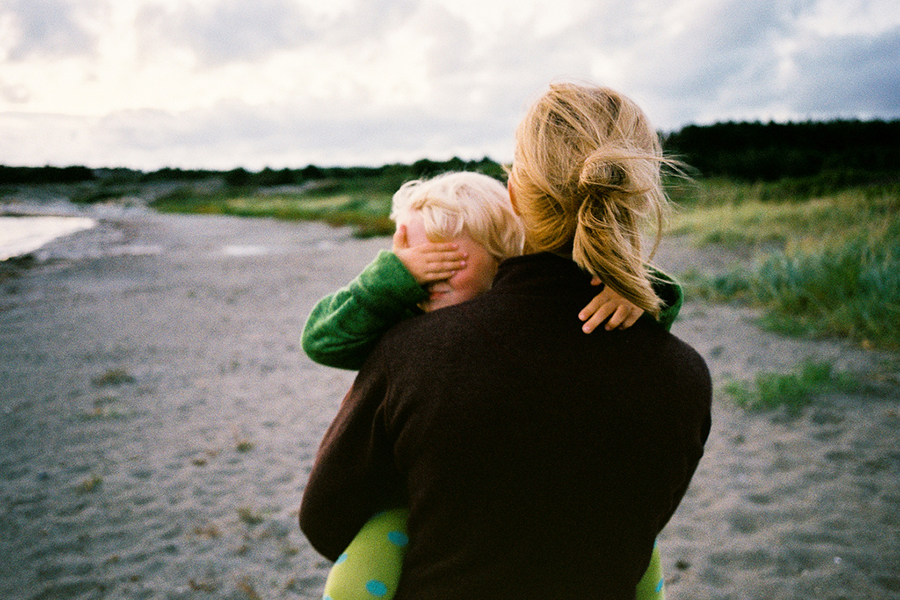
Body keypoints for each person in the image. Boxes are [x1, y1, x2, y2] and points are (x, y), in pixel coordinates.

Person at [300, 82, 712, 600]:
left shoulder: (411, 354)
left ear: (517, 196)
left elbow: (326, 523)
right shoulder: (685, 374)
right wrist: (642, 290)